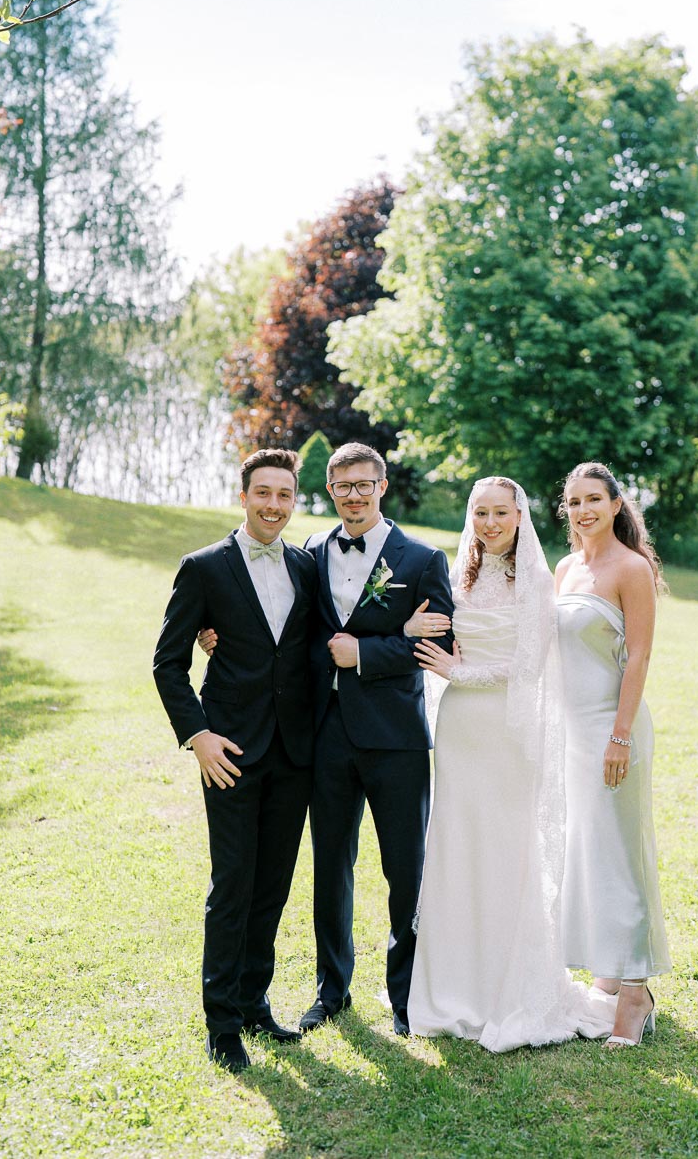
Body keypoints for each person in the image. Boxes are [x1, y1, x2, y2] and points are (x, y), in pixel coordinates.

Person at [406, 477, 617, 1051]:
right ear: (470, 517)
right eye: (481, 512)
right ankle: (449, 985)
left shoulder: (537, 580)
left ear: (520, 518)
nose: (491, 523)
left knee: (504, 846)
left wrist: (458, 673)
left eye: (501, 512)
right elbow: (431, 627)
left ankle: (506, 987)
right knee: (457, 843)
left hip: (504, 732)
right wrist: (412, 634)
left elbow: (528, 666)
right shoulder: (458, 574)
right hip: (458, 732)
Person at [152, 448, 317, 1074]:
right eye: (263, 493)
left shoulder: (305, 566)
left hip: (292, 753)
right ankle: (221, 1026)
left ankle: (253, 1002)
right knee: (232, 887)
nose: (274, 504)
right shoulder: (204, 569)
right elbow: (169, 663)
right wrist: (198, 736)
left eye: (285, 494)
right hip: (228, 752)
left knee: (272, 886)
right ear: (243, 495)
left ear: (294, 499)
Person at [300, 442, 454, 1036]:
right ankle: (331, 990)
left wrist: (367, 650)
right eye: (343, 486)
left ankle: (407, 999)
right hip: (327, 735)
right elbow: (298, 635)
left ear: (382, 485)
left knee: (406, 871)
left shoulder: (421, 559)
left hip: (396, 740)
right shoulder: (311, 552)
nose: (354, 495)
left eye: (365, 484)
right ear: (331, 490)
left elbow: (437, 646)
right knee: (330, 865)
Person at [555, 461, 671, 1049]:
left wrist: (620, 735)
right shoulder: (566, 568)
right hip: (570, 735)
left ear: (616, 504)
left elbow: (640, 658)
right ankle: (606, 965)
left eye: (594, 499)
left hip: (612, 728)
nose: (583, 511)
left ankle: (635, 991)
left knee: (622, 854)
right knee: (587, 850)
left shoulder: (632, 568)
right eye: (574, 502)